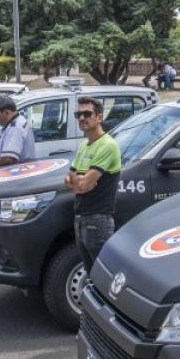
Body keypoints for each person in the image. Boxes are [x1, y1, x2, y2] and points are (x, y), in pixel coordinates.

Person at [64, 95, 122, 274]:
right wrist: (80, 182)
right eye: (78, 114)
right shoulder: (84, 145)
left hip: (98, 221)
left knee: (103, 276)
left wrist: (79, 182)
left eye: (87, 114)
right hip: (80, 218)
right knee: (91, 274)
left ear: (99, 117)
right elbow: (69, 180)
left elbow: (81, 184)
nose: (82, 118)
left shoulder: (107, 145)